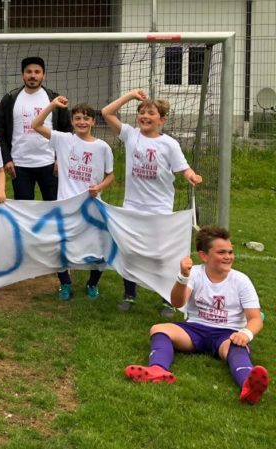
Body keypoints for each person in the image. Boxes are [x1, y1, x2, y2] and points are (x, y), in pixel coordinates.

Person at [125, 226, 270, 405]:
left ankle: (249, 385)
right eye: (221, 252)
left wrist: (245, 334)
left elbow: (255, 318)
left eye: (230, 252)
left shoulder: (241, 280)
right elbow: (177, 302)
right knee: (159, 329)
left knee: (235, 346)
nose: (228, 256)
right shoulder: (194, 273)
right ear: (204, 256)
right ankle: (157, 370)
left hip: (228, 333)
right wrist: (183, 277)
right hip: (195, 330)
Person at [102, 88, 203, 314]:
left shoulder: (169, 144)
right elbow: (106, 112)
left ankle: (168, 298)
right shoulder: (130, 135)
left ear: (162, 120)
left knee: (161, 255)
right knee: (129, 251)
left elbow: (183, 167)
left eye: (151, 113)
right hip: (133, 207)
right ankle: (130, 295)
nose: (145, 117)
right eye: (142, 112)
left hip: (159, 207)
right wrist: (130, 96)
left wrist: (191, 176)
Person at [31, 97, 115, 301]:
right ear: (72, 121)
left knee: (99, 248)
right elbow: (35, 125)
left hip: (91, 206)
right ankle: (65, 284)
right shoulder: (63, 139)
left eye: (86, 118)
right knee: (60, 246)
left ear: (93, 122)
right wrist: (52, 105)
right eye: (77, 118)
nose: (82, 122)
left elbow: (110, 175)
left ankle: (92, 284)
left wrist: (99, 187)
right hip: (66, 206)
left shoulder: (103, 147)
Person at [0, 56, 72, 201]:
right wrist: (6, 159)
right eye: (28, 71)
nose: (33, 75)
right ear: (22, 74)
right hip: (19, 165)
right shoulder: (10, 99)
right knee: (24, 209)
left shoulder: (54, 99)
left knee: (53, 206)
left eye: (37, 72)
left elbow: (66, 130)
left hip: (49, 164)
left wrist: (60, 158)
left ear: (44, 75)